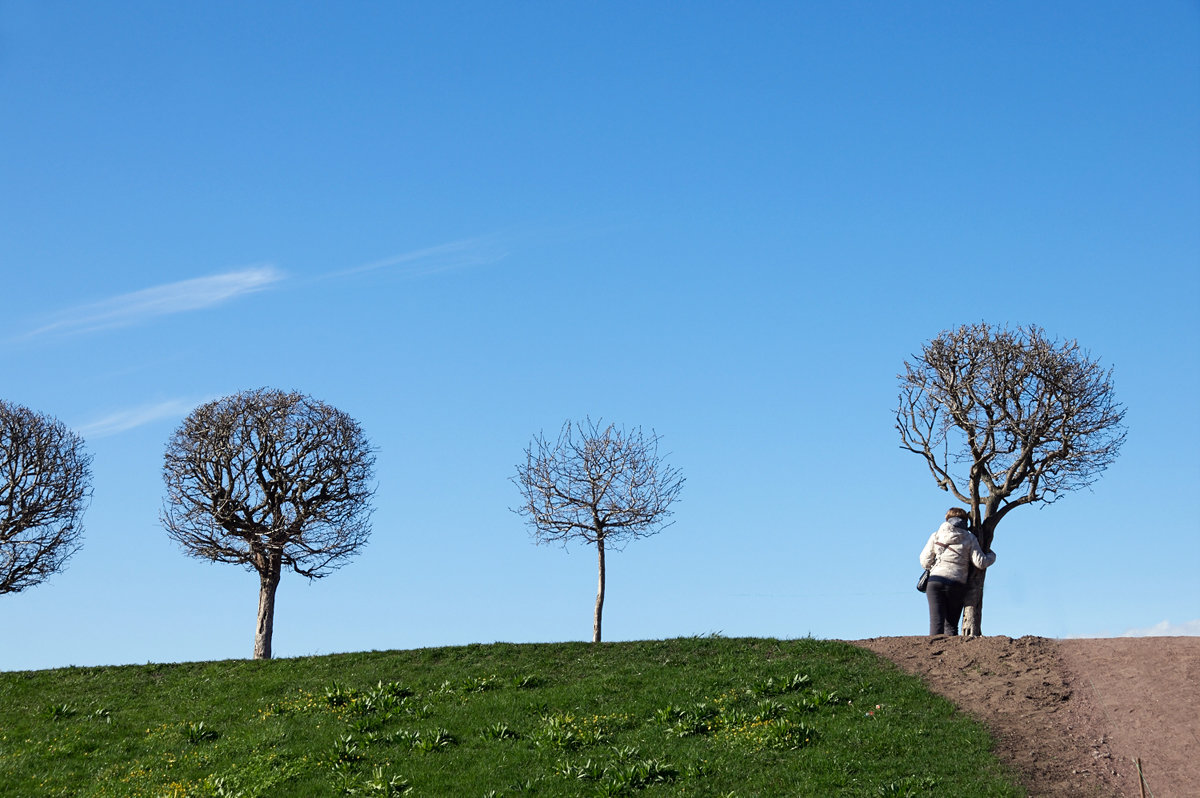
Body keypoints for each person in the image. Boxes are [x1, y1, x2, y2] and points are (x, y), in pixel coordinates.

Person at [919, 507, 996, 636]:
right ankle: (949, 654)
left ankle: (933, 653)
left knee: (936, 624)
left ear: (947, 519)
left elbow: (924, 561)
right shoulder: (970, 538)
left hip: (935, 582)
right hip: (957, 584)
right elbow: (980, 562)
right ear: (965, 521)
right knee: (951, 626)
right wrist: (992, 555)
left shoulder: (936, 535)